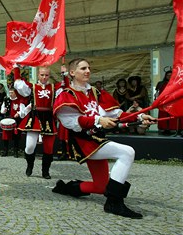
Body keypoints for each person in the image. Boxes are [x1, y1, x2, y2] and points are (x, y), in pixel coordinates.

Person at [52, 58, 156, 219]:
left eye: (89, 68)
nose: (88, 71)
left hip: (97, 139)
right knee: (127, 152)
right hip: (83, 141)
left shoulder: (96, 92)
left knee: (101, 187)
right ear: (72, 73)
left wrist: (141, 117)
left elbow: (117, 114)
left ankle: (69, 188)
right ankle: (114, 203)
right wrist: (98, 120)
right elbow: (71, 122)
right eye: (83, 68)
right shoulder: (67, 95)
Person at [13, 65, 67, 179]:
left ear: (49, 76)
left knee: (48, 148)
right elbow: (18, 84)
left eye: (46, 75)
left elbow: (66, 87)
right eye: (42, 75)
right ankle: (30, 164)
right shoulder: (32, 87)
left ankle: (45, 171)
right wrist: (16, 69)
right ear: (38, 75)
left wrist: (64, 74)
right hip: (35, 116)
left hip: (48, 117)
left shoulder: (53, 87)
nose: (44, 77)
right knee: (29, 147)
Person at [0, 88, 28, 157]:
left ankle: (16, 152)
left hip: (16, 120)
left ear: (15, 93)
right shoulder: (6, 100)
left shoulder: (19, 100)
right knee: (5, 136)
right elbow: (2, 110)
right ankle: (5, 151)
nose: (10, 94)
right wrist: (4, 110)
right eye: (10, 92)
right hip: (7, 119)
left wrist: (18, 113)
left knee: (16, 137)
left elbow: (23, 111)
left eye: (12, 92)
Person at [154, 69, 182, 136]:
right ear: (165, 76)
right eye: (167, 75)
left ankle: (173, 129)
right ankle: (164, 129)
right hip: (163, 102)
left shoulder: (176, 83)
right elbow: (157, 93)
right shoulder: (161, 83)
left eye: (170, 75)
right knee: (163, 116)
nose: (169, 76)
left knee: (172, 117)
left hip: (173, 102)